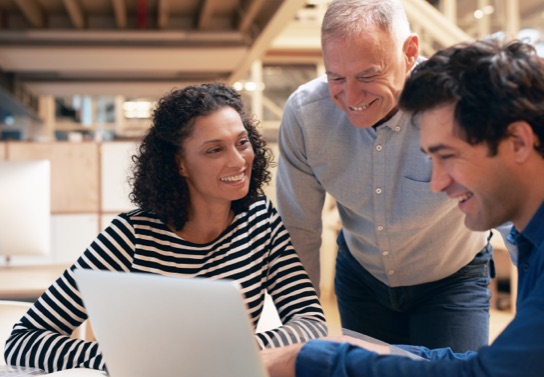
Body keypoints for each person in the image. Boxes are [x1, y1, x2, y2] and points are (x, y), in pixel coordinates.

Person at [261, 38, 544, 377]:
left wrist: (313, 361)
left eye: (449, 157)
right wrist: (347, 349)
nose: (437, 184)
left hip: (451, 271)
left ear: (519, 142)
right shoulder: (532, 243)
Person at [4, 83, 328, 373]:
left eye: (241, 142)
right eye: (214, 150)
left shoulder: (261, 221)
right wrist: (125, 358)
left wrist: (225, 354)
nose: (238, 160)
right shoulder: (131, 236)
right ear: (179, 164)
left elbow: (311, 323)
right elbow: (22, 343)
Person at [276, 0, 495, 351]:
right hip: (362, 280)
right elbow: (299, 229)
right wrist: (301, 322)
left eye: (368, 75)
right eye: (336, 77)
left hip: (452, 278)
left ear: (410, 52)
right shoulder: (306, 115)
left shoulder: (457, 105)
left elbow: (509, 204)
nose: (350, 96)